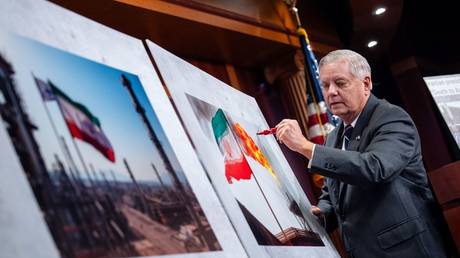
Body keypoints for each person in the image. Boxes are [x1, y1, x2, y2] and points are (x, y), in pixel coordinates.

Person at [276, 49, 448, 258]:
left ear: (366, 84)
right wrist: (320, 214)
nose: (331, 92)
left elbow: (375, 167)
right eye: (325, 85)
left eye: (340, 83)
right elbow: (332, 197)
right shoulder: (333, 137)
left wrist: (304, 146)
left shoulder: (392, 117)